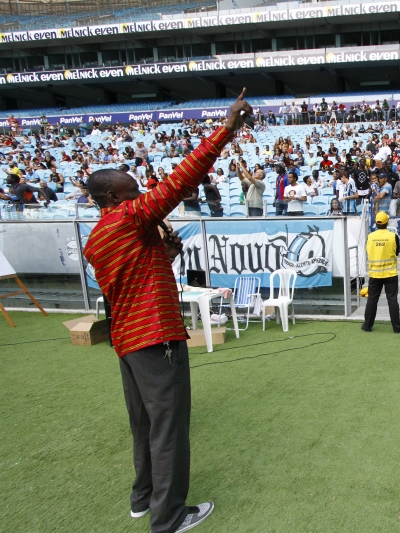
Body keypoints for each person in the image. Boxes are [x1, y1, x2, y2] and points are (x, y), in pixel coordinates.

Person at [82, 89, 251, 533]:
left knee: (143, 424)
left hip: (127, 339)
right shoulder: (126, 218)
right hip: (155, 337)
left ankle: (142, 499)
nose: (141, 195)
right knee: (169, 427)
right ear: (111, 199)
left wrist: (165, 254)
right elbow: (179, 181)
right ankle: (169, 518)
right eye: (131, 191)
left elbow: (132, 281)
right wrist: (226, 129)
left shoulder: (99, 236)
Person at [362, 211, 400, 334]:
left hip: (375, 274)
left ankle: (367, 326)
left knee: (372, 300)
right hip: (390, 273)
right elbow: (396, 253)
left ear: (376, 223)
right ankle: (397, 327)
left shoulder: (370, 237)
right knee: (392, 300)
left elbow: (368, 251)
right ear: (387, 222)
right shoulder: (393, 236)